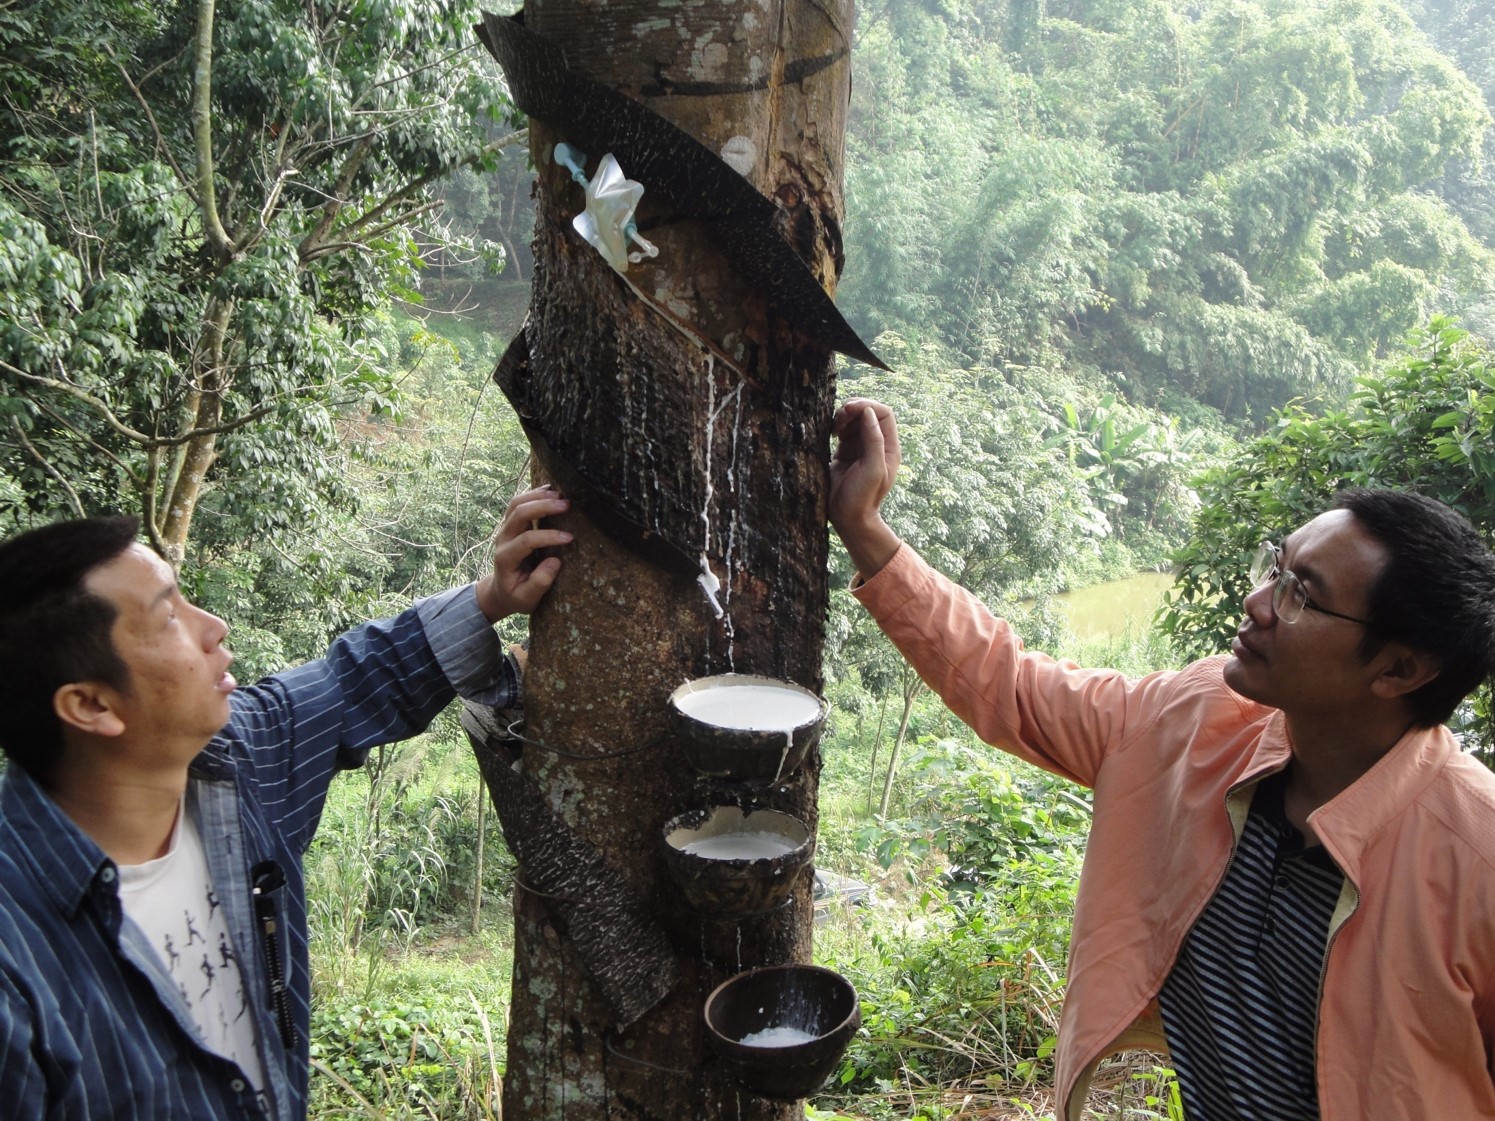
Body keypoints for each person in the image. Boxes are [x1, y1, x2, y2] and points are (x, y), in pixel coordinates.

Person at [828, 397, 1495, 1121]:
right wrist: (864, 528)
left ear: (1400, 671)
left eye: (1301, 595)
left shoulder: (1474, 856)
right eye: (1276, 568)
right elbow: (1013, 685)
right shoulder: (1200, 720)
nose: (1256, 601)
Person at [0, 486, 571, 1121]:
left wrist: (495, 596)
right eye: (167, 617)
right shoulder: (18, 953)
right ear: (92, 706)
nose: (213, 627)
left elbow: (355, 679)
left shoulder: (234, 765)